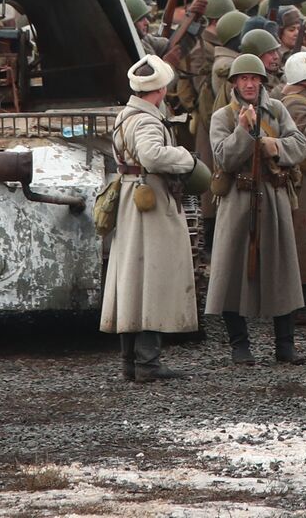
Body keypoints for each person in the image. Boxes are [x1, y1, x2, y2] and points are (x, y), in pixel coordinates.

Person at [101, 55, 204, 383]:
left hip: (135, 198)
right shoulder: (146, 120)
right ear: (159, 89)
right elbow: (151, 155)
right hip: (150, 202)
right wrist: (186, 157)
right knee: (152, 278)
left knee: (131, 279)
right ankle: (148, 363)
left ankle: (131, 362)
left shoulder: (125, 114)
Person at [208, 53, 306, 366]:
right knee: (231, 270)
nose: (250, 84)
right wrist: (242, 132)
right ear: (235, 83)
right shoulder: (223, 117)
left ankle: (285, 344)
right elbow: (224, 158)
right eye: (244, 78)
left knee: (283, 270)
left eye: (255, 78)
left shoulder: (277, 110)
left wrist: (272, 146)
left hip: (273, 194)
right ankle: (240, 345)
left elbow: (300, 145)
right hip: (238, 199)